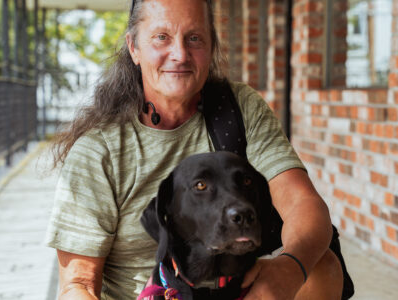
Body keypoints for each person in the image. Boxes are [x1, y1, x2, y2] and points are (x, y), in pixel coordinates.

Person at [46, 0, 344, 299]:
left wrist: (289, 270)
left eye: (194, 38)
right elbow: (78, 285)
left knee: (321, 268)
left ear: (211, 46)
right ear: (134, 47)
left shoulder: (239, 109)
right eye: (162, 37)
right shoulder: (101, 152)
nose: (180, 54)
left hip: (235, 289)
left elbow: (302, 204)